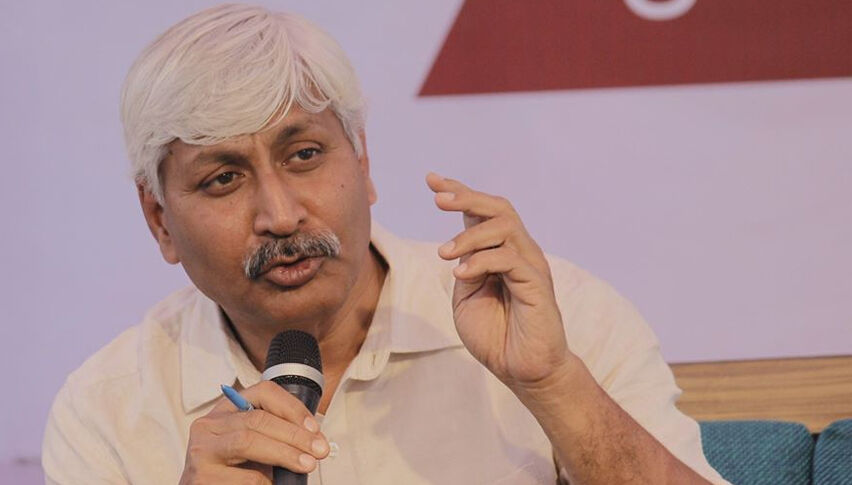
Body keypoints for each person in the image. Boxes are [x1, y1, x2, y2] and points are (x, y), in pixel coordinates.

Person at [42, 3, 729, 484]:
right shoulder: (107, 409)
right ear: (160, 220)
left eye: (304, 154)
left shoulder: (553, 317)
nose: (280, 215)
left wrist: (554, 386)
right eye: (224, 179)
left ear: (364, 162)